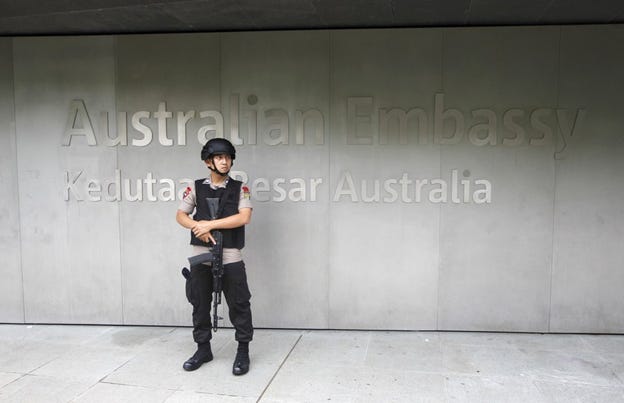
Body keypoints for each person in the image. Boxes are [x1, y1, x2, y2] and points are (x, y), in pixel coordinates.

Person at [176, 137, 253, 376]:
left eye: (227, 157)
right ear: (208, 161)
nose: (225, 161)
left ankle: (242, 351)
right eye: (219, 157)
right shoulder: (195, 186)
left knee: (239, 302)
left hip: (229, 252)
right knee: (199, 301)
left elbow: (244, 217)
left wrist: (209, 224)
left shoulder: (240, 188)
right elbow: (180, 215)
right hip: (201, 253)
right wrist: (196, 225)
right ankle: (203, 349)